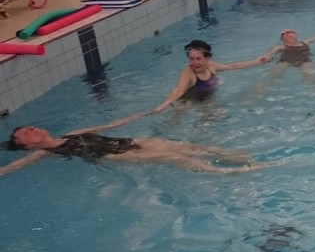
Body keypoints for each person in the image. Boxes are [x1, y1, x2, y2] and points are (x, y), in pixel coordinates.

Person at [1, 120, 265, 175]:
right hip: (112, 156)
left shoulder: (70, 133)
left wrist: (142, 114)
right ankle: (225, 172)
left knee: (189, 146)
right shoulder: (41, 152)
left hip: (125, 141)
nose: (31, 129)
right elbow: (13, 167)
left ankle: (234, 157)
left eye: (29, 127)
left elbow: (107, 126)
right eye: (25, 134)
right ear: (26, 146)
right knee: (173, 157)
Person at [149, 39, 266, 113]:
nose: (194, 63)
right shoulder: (188, 72)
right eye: (191, 59)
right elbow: (178, 89)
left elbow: (232, 66)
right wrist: (164, 104)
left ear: (207, 58)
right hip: (186, 104)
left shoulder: (212, 66)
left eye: (198, 58)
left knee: (217, 115)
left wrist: (257, 62)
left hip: (207, 100)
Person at [245, 29, 315, 100]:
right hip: (285, 61)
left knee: (314, 80)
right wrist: (265, 58)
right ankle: (250, 98)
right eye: (286, 34)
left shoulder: (305, 42)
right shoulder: (279, 47)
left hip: (304, 61)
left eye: (291, 33)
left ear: (296, 36)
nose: (289, 34)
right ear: (282, 39)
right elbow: (267, 55)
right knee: (270, 79)